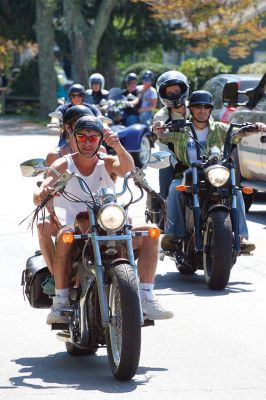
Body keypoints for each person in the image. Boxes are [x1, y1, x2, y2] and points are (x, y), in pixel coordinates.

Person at [34, 115, 173, 324]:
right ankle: (61, 302)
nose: (88, 143)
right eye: (83, 138)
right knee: (65, 236)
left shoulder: (107, 162)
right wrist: (46, 192)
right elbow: (41, 191)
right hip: (77, 227)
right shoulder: (64, 164)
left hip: (110, 222)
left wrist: (117, 146)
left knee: (151, 232)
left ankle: (146, 297)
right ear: (74, 138)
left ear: (100, 139)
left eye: (93, 138)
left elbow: (128, 170)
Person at [157, 90, 266, 262]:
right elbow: (163, 136)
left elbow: (237, 135)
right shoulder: (181, 129)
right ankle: (173, 236)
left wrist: (255, 127)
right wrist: (158, 130)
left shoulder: (219, 128)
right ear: (190, 109)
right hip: (187, 171)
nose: (202, 110)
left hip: (213, 172)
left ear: (210, 110)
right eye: (197, 107)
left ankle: (240, 237)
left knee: (236, 192)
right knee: (174, 190)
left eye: (206, 107)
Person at [35, 105, 107, 295]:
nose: (87, 132)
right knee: (42, 225)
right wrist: (45, 194)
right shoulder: (57, 156)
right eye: (80, 128)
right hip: (64, 214)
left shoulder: (102, 152)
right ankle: (57, 277)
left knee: (131, 230)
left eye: (92, 132)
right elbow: (44, 190)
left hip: (97, 213)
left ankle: (130, 286)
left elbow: (117, 175)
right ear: (69, 129)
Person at [153, 70, 189, 199]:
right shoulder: (161, 116)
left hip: (199, 157)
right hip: (175, 161)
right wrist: (160, 130)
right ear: (163, 95)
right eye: (169, 92)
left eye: (176, 91)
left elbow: (212, 129)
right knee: (164, 165)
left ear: (184, 89)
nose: (174, 95)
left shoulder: (197, 108)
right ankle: (166, 208)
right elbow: (162, 146)